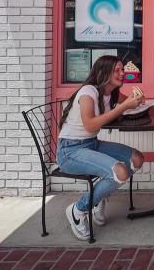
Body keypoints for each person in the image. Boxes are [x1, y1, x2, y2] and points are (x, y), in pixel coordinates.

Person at [57, 55, 145, 241]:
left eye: (123, 69)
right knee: (120, 172)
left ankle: (97, 199)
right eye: (117, 70)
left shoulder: (111, 92)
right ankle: (78, 210)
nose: (122, 73)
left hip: (91, 144)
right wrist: (124, 107)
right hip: (70, 151)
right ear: (104, 72)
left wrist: (137, 101)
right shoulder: (88, 92)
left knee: (136, 158)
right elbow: (90, 125)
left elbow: (130, 103)